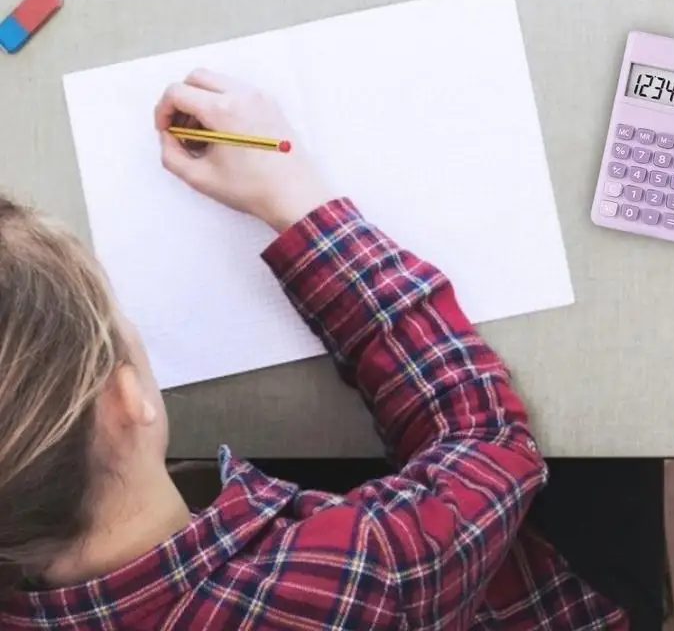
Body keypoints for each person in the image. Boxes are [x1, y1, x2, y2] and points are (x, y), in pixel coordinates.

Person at [0, 69, 628, 630]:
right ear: (124, 397)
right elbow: (487, 442)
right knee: (615, 466)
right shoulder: (346, 583)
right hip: (508, 598)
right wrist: (298, 203)